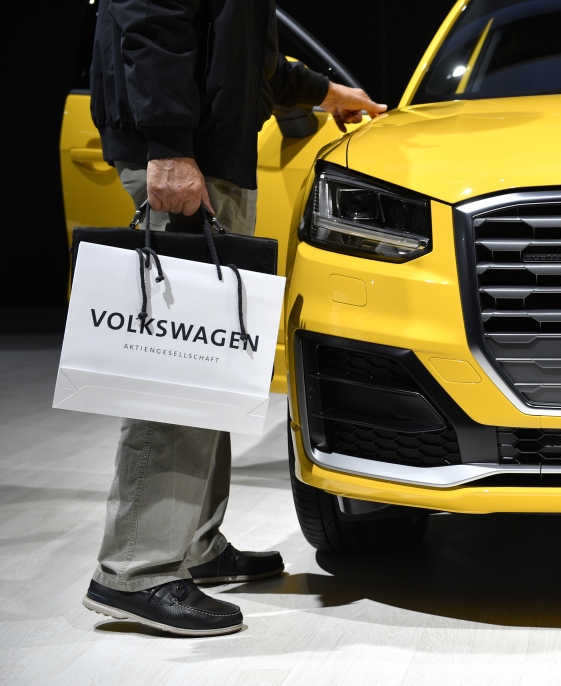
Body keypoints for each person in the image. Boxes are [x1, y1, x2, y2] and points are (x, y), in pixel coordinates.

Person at [81, 0, 386, 637]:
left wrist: (319, 91)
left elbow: (242, 47)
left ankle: (192, 545)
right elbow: (149, 18)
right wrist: (168, 145)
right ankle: (136, 571)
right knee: (178, 367)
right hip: (186, 154)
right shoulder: (174, 146)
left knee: (210, 360)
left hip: (211, 150)